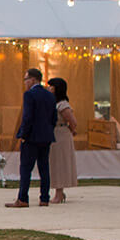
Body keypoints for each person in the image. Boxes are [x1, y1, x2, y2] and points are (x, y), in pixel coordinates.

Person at [7, 68, 57, 208]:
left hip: (31, 137)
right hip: (45, 137)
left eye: (26, 79)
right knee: (44, 168)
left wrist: (23, 134)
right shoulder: (50, 96)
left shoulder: (29, 95)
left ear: (33, 80)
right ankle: (44, 198)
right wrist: (48, 131)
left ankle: (23, 198)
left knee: (25, 168)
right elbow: (53, 118)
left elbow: (27, 117)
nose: (25, 83)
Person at [49, 76, 80, 204]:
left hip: (61, 135)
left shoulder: (62, 105)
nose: (49, 88)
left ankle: (59, 193)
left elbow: (73, 121)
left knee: (60, 163)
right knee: (55, 163)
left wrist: (71, 130)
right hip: (55, 134)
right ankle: (58, 191)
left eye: (51, 86)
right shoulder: (53, 103)